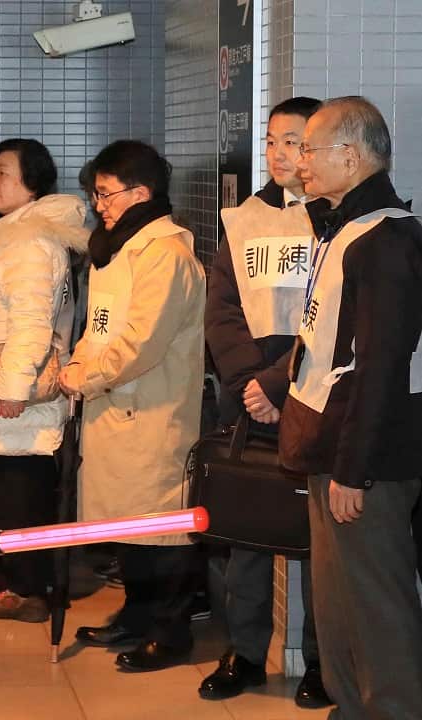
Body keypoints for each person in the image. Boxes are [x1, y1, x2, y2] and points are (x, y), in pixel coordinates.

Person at [280, 95, 422, 719]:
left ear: (351, 155)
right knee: (336, 603)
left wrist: (353, 468)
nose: (300, 161)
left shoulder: (387, 240)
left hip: (367, 458)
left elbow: (383, 367)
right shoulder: (343, 228)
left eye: (310, 148)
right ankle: (350, 708)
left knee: (376, 606)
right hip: (328, 443)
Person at [201, 96, 331, 707]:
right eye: (273, 141)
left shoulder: (339, 219)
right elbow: (221, 311)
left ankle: (323, 661)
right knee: (250, 530)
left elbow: (331, 321)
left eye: (295, 141)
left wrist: (278, 386)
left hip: (312, 396)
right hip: (249, 395)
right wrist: (250, 385)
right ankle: (246, 653)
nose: (281, 154)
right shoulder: (243, 220)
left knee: (318, 538)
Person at [61, 140, 205, 671]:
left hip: (150, 411)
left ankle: (170, 633)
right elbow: (98, 327)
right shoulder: (117, 247)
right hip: (112, 407)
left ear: (140, 193)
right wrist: (79, 365)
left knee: (159, 529)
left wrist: (85, 376)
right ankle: (137, 616)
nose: (98, 205)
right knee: (129, 528)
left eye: (105, 194)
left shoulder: (165, 255)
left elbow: (143, 343)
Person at [0, 138, 89, 622]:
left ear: (33, 184)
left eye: (5, 173)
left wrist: (11, 390)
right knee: (11, 492)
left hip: (12, 395)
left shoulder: (28, 244)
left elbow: (31, 324)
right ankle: (22, 582)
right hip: (5, 389)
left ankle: (29, 591)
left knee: (18, 493)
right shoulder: (15, 236)